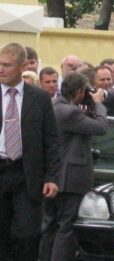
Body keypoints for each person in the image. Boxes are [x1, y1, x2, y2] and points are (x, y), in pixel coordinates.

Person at [39, 72, 108, 261]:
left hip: (54, 176)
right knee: (66, 228)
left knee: (50, 227)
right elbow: (101, 127)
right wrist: (99, 103)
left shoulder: (56, 107)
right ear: (78, 92)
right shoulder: (70, 112)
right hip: (69, 180)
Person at [0, 42, 59, 261]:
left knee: (27, 235)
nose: (1, 69)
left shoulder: (40, 98)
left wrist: (52, 177)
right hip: (1, 170)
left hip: (26, 175)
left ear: (23, 66)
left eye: (6, 65)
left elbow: (51, 140)